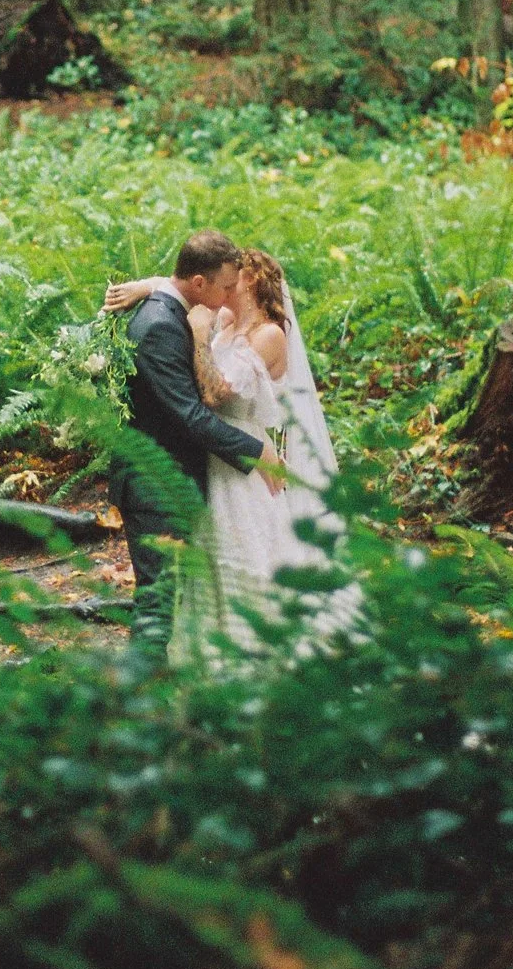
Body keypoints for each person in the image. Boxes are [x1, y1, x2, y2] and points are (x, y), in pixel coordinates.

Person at [106, 246, 362, 664]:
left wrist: (200, 334)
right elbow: (187, 286)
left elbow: (215, 393)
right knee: (197, 572)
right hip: (215, 459)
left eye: (235, 278)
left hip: (244, 467)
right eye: (225, 278)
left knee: (250, 558)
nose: (227, 285)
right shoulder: (223, 320)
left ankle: (262, 650)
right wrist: (145, 287)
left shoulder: (268, 334)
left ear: (252, 283)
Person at [109, 230, 285, 651]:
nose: (228, 296)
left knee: (168, 594)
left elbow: (177, 283)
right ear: (201, 284)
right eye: (224, 286)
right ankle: (138, 696)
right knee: (157, 599)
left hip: (176, 478)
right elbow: (189, 414)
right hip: (156, 483)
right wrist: (256, 449)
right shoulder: (161, 327)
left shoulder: (174, 309)